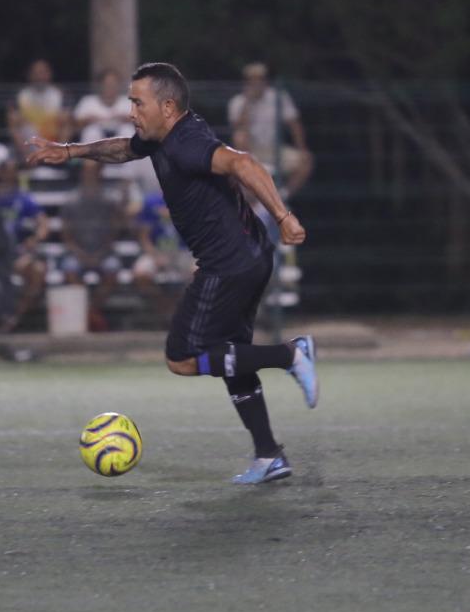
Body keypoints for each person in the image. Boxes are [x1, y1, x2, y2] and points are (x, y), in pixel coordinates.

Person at [25, 61, 318, 485]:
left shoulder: (186, 142)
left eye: (137, 102)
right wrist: (70, 151)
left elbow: (244, 163)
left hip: (229, 263)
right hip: (249, 255)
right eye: (129, 100)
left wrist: (284, 215)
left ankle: (291, 355)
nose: (130, 110)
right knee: (230, 355)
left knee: (182, 358)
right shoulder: (159, 136)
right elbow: (123, 148)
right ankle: (269, 455)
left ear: (167, 106)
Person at [58, 160, 130, 324]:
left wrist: (100, 253)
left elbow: (114, 231)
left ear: (100, 173)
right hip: (77, 254)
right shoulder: (70, 200)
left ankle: (89, 310)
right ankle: (91, 314)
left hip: (103, 253)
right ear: (82, 173)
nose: (90, 175)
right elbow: (66, 235)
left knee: (113, 269)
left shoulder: (109, 200)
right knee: (69, 269)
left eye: (94, 171)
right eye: (87, 171)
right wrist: (81, 254)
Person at [227, 61, 314, 196]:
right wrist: (248, 103)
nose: (256, 83)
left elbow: (294, 124)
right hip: (250, 151)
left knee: (306, 161)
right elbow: (236, 128)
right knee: (240, 137)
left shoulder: (278, 97)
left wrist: (301, 148)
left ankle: (282, 196)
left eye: (260, 79)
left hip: (275, 150)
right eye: (252, 80)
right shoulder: (237, 102)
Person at [0, 159, 51, 330]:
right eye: (8, 171)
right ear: (0, 174)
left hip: (17, 253)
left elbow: (44, 224)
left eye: (14, 171)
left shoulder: (23, 198)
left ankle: (13, 319)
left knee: (38, 271)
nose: (12, 175)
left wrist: (35, 239)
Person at [7, 59, 69, 145]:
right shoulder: (20, 95)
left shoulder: (60, 94)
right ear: (29, 75)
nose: (39, 77)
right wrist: (26, 153)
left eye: (43, 72)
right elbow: (12, 124)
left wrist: (60, 150)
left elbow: (67, 123)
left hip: (53, 141)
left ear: (49, 73)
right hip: (28, 143)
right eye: (36, 73)